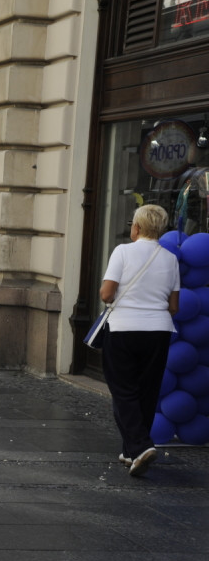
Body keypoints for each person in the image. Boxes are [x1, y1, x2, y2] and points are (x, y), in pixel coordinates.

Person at [100, 204, 180, 477]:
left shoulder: (122, 252)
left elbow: (107, 294)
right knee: (147, 390)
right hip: (158, 331)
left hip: (123, 328)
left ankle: (142, 445)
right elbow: (174, 306)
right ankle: (131, 450)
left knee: (123, 390)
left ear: (137, 227)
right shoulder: (170, 259)